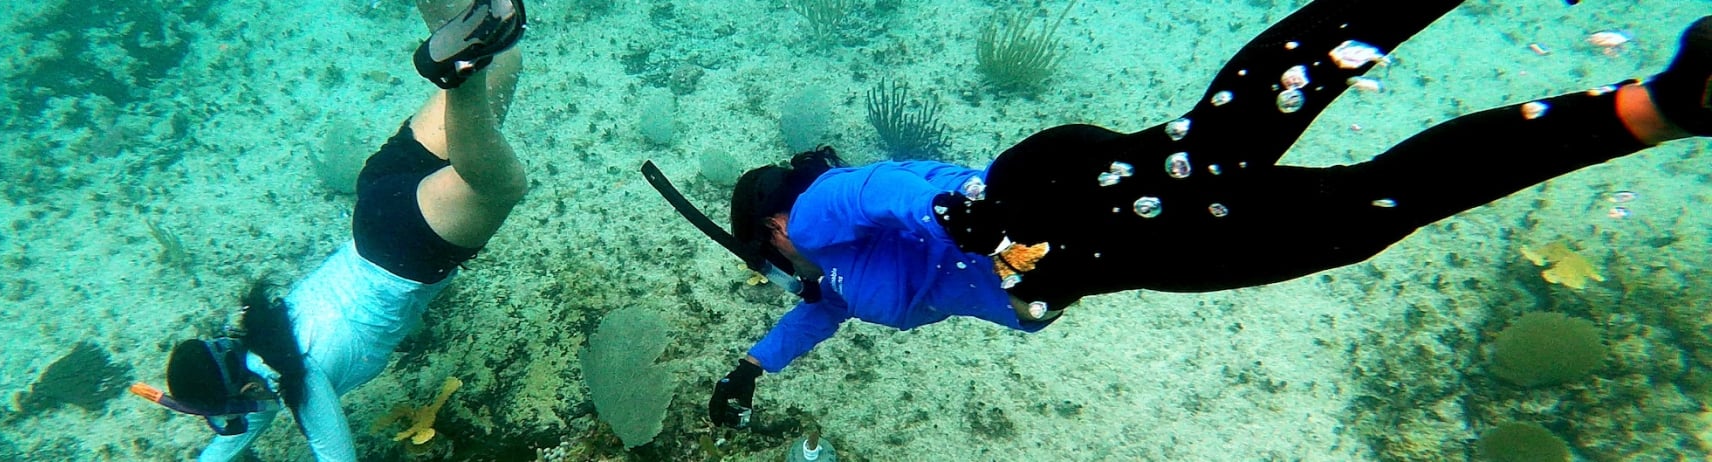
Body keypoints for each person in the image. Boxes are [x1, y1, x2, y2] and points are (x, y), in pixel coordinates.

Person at [705, 0, 1712, 429]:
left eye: (767, 254)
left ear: (773, 226)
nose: (782, 268)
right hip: (1076, 236)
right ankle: (1659, 107)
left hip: (1045, 209)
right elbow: (820, 312)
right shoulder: (829, 277)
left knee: (1330, 190)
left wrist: (964, 215)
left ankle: (1658, 108)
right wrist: (751, 368)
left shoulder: (819, 211)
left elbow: (876, 191)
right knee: (1291, 156)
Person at [123, 1, 529, 460]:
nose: (240, 420)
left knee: (499, 186)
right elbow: (234, 435)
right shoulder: (261, 338)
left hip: (411, 245)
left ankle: (459, 73)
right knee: (506, 56)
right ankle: (458, 37)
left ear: (246, 389)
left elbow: (336, 454)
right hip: (378, 199)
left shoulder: (302, 385)